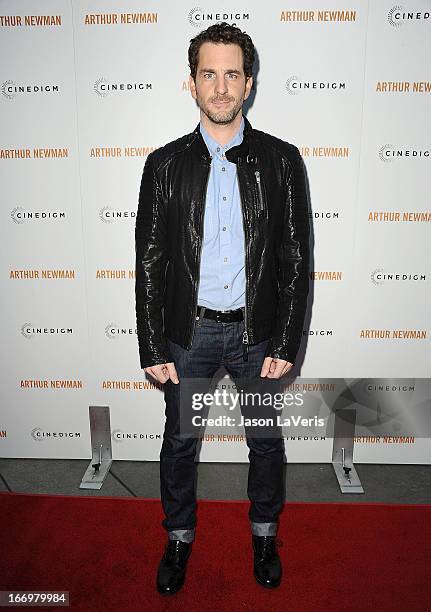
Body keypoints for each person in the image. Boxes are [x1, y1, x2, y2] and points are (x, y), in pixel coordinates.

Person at [135, 22, 310, 595]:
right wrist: (152, 344)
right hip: (191, 335)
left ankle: (264, 535)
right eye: (208, 73)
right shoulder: (163, 166)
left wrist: (285, 343)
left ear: (249, 83)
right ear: (191, 84)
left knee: (264, 441)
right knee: (181, 442)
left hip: (256, 335)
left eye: (231, 73)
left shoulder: (283, 162)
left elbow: (295, 258)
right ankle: (179, 538)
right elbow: (151, 263)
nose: (220, 85)